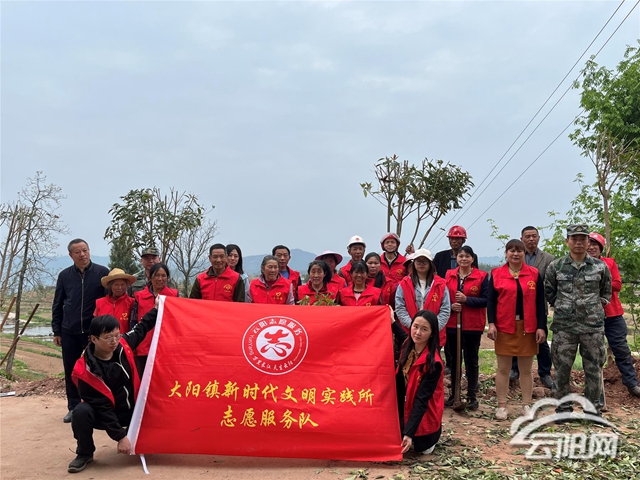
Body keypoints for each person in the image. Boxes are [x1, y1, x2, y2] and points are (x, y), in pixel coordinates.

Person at [67, 305, 159, 473]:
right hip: (107, 414)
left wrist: (157, 308)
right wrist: (120, 436)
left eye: (117, 335)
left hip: (134, 409)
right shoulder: (85, 371)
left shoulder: (124, 345)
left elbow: (142, 327)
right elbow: (102, 407)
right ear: (94, 339)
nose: (114, 341)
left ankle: (144, 437)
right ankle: (84, 453)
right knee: (80, 412)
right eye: (108, 337)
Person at [545, 225, 612, 415]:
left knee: (593, 369)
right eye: (574, 239)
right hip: (564, 327)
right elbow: (549, 291)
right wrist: (564, 306)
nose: (579, 243)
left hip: (592, 327)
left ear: (588, 242)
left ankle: (592, 409)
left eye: (583, 239)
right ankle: (563, 408)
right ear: (567, 241)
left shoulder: (600, 266)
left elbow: (606, 291)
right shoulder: (556, 266)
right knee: (562, 369)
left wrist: (593, 307)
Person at [488, 239, 547, 420]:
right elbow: (491, 302)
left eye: (519, 251)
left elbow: (540, 302)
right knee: (503, 369)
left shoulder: (534, 274)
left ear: (524, 253)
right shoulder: (496, 274)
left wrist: (541, 327)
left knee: (526, 370)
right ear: (506, 253)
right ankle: (501, 406)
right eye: (511, 250)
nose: (515, 254)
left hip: (527, 327)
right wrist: (492, 323)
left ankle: (526, 405)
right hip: (504, 326)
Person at [52, 239, 109, 423]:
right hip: (69, 330)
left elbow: (108, 302)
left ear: (89, 251)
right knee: (71, 370)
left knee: (96, 370)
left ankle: (98, 408)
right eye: (77, 252)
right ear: (71, 255)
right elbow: (58, 304)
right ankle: (74, 407)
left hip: (94, 333)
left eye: (85, 250)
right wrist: (57, 331)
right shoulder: (65, 276)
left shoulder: (102, 273)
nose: (82, 254)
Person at [587, 232, 640, 397]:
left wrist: (599, 281)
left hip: (612, 314)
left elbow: (617, 285)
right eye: (589, 244)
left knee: (621, 349)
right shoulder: (580, 265)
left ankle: (632, 384)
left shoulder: (609, 263)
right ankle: (593, 389)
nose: (591, 247)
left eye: (595, 244)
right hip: (590, 315)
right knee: (592, 352)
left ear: (601, 248)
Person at [510, 226, 556, 390]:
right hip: (516, 306)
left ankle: (544, 373)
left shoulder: (549, 259)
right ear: (521, 239)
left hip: (537, 306)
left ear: (538, 238)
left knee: (541, 339)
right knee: (515, 336)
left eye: (534, 236)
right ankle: (514, 369)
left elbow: (551, 283)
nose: (531, 239)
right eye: (527, 236)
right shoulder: (515, 257)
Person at [444, 246, 488, 410]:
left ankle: (471, 395)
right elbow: (443, 297)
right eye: (461, 256)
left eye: (467, 256)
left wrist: (466, 300)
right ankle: (454, 394)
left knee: (471, 360)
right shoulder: (449, 275)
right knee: (454, 360)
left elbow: (486, 300)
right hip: (452, 324)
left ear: (472, 259)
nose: (463, 259)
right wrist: (451, 306)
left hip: (472, 325)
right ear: (457, 258)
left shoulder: (482, 276)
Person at [395, 310, 444, 455]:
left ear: (432, 333)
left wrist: (409, 434)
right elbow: (402, 335)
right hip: (407, 406)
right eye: (415, 326)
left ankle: (429, 437)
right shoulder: (407, 345)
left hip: (425, 413)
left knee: (422, 448)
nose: (417, 332)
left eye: (424, 329)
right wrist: (391, 321)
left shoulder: (434, 364)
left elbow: (422, 400)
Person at [432, 226, 478, 373]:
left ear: (463, 240)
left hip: (464, 301)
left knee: (467, 343)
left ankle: (467, 372)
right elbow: (434, 275)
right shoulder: (440, 257)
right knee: (448, 337)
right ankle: (450, 365)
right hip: (446, 299)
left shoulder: (471, 256)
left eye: (458, 239)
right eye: (452, 238)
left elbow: (474, 276)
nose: (454, 241)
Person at [396, 249, 451, 350]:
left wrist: (432, 328)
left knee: (431, 359)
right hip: (409, 334)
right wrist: (413, 327)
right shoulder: (404, 283)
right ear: (414, 263)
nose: (421, 264)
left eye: (425, 261)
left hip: (434, 335)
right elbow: (400, 308)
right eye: (418, 261)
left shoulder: (441, 284)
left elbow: (445, 309)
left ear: (430, 263)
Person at [133, 263, 178, 374]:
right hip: (142, 345)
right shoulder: (139, 296)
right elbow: (133, 320)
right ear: (150, 277)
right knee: (142, 377)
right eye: (157, 275)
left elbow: (177, 321)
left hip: (165, 345)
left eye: (163, 276)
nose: (160, 279)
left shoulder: (173, 295)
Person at [94, 269, 137, 334]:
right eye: (116, 285)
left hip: (125, 338)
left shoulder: (132, 302)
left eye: (122, 284)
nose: (120, 288)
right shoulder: (100, 302)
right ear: (110, 286)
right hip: (105, 339)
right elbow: (96, 325)